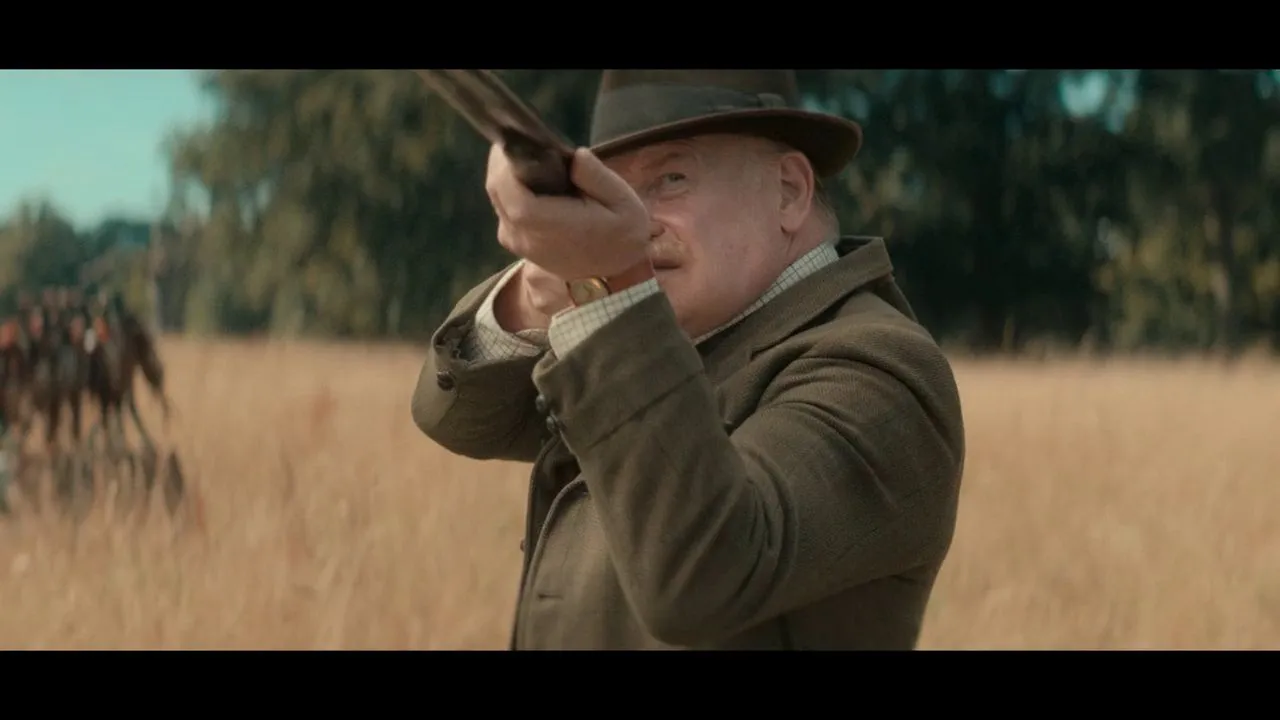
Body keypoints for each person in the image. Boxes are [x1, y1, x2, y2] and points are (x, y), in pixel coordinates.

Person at [411, 70, 966, 650]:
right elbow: (457, 414)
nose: (636, 224)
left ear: (789, 191)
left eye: (671, 178)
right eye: (615, 194)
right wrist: (538, 294)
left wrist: (611, 286)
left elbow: (701, 575)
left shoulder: (882, 369)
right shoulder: (669, 332)